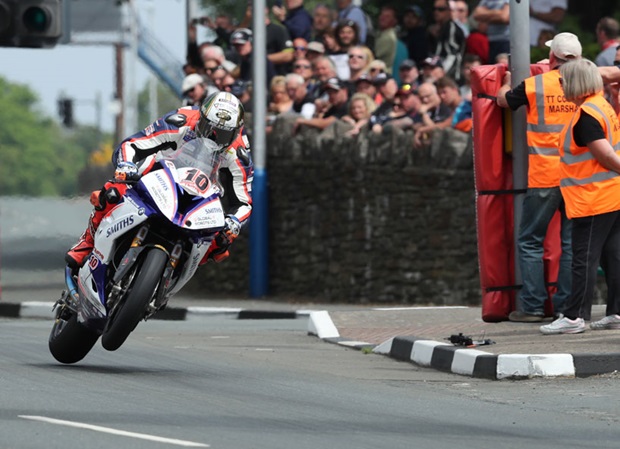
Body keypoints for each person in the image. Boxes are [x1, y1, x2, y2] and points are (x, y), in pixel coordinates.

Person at [66, 92, 253, 270]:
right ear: (201, 117)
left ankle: (170, 281)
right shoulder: (181, 120)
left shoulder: (238, 153)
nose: (213, 137)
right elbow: (134, 144)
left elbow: (244, 201)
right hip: (159, 174)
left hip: (200, 196)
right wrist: (127, 165)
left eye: (222, 134)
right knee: (113, 191)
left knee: (221, 241)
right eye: (208, 128)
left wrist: (234, 221)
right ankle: (87, 243)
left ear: (235, 133)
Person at [496, 32, 582, 322]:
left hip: (545, 176)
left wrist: (506, 81)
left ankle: (532, 306)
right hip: (578, 177)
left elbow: (503, 101)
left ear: (552, 58)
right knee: (571, 244)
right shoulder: (587, 86)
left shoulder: (535, 85)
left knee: (530, 240)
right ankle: (564, 308)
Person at [540, 59, 620, 334]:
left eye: (563, 81)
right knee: (613, 254)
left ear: (577, 83)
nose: (560, 85)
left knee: (583, 258)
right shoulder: (601, 104)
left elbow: (607, 156)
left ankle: (573, 316)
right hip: (610, 194)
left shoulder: (587, 115)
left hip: (593, 199)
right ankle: (616, 312)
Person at [428, 0, 466, 83]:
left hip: (450, 77)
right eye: (434, 9)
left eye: (441, 9)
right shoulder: (440, 29)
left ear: (449, 11)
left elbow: (452, 55)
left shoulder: (452, 28)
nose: (436, 12)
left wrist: (442, 71)